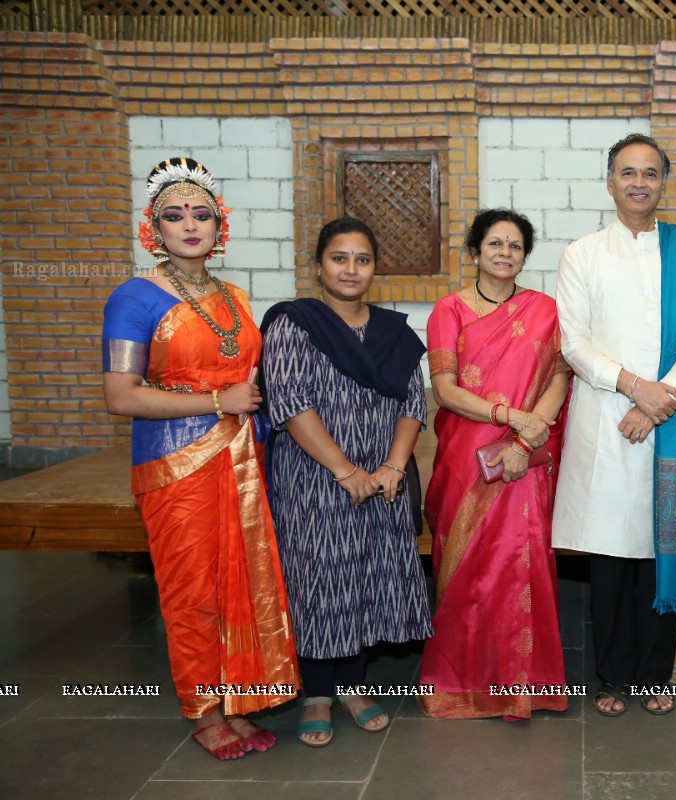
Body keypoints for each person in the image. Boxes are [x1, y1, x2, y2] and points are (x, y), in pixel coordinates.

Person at [102, 157, 298, 760]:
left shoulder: (235, 296)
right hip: (175, 466)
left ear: (221, 226)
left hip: (241, 461)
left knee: (243, 581)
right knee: (193, 593)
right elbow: (120, 395)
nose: (189, 225)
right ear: (152, 228)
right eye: (173, 215)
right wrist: (218, 399)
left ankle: (236, 701)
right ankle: (203, 710)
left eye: (201, 214)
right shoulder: (132, 297)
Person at [553, 133, 676, 717]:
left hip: (670, 419)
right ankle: (610, 677)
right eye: (627, 172)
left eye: (650, 173)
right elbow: (573, 343)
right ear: (610, 182)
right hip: (605, 419)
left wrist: (658, 400)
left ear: (663, 183)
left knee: (660, 545)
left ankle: (655, 676)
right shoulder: (582, 253)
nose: (638, 183)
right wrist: (634, 389)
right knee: (609, 557)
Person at [260, 217, 431, 747]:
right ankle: (316, 691)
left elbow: (413, 403)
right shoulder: (293, 324)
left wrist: (393, 467)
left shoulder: (395, 333)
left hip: (383, 479)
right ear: (319, 266)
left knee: (365, 575)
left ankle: (352, 685)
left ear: (374, 268)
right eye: (339, 258)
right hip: (313, 479)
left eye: (362, 259)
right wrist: (345, 470)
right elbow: (290, 403)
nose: (351, 269)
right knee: (318, 577)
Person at [417, 209, 571, 719]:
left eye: (515, 246)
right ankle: (463, 684)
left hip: (524, 457)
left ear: (525, 256)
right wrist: (510, 415)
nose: (505, 253)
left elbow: (558, 380)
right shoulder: (449, 310)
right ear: (476, 251)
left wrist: (527, 439)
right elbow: (445, 391)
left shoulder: (547, 310)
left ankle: (526, 686)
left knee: (522, 561)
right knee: (467, 566)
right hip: (468, 456)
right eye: (495, 244)